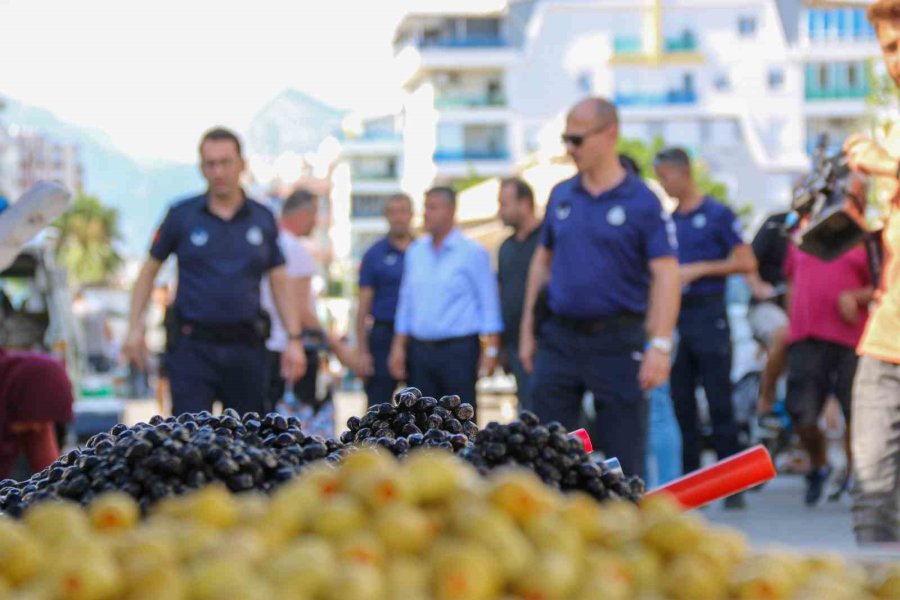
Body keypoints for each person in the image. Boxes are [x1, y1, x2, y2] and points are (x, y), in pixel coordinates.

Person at [518, 98, 681, 478]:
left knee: (624, 451)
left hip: (617, 339)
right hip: (560, 337)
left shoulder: (642, 201)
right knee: (543, 445)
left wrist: (660, 344)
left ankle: (625, 527)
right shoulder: (561, 195)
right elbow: (541, 263)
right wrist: (527, 330)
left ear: (610, 135)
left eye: (576, 140)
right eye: (566, 139)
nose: (569, 149)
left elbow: (666, 274)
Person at [122, 128, 305, 417]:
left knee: (250, 440)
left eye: (225, 162)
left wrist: (294, 339)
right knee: (189, 441)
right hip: (193, 348)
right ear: (201, 168)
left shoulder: (263, 217)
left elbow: (279, 279)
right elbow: (148, 272)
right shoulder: (181, 215)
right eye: (211, 164)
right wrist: (134, 327)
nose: (218, 171)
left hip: (247, 348)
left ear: (241, 164)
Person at [654, 148, 756, 506]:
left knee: (719, 403)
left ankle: (732, 487)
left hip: (709, 313)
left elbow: (745, 262)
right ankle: (691, 487)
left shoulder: (717, 213)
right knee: (681, 404)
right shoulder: (669, 221)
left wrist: (699, 269)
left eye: (665, 176)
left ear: (682, 173)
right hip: (677, 316)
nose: (664, 185)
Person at [841, 0, 900, 544]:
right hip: (886, 340)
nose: (898, 61)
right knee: (874, 501)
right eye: (890, 48)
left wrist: (890, 165)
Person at [389, 187, 503, 410]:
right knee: (419, 421)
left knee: (458, 422)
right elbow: (406, 301)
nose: (426, 214)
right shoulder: (416, 251)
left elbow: (489, 304)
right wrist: (398, 347)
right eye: (425, 208)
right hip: (420, 352)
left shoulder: (472, 252)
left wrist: (491, 351)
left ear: (450, 210)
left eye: (433, 207)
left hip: (459, 352)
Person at [783, 239, 872, 506]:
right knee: (802, 414)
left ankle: (859, 477)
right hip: (806, 337)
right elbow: (792, 283)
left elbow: (885, 285)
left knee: (857, 414)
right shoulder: (800, 235)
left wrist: (856, 297)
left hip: (852, 338)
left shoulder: (863, 238)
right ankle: (819, 464)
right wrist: (793, 323)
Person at [261, 189, 322, 413]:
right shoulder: (295, 249)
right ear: (304, 213)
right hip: (289, 350)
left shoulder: (268, 242)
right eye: (315, 214)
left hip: (265, 346)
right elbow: (302, 310)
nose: (316, 222)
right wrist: (338, 348)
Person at [356, 193, 414, 407]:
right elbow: (362, 306)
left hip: (416, 336)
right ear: (386, 216)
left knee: (421, 406)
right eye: (393, 212)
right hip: (383, 334)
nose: (399, 218)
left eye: (403, 212)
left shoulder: (423, 251)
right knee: (378, 406)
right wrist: (362, 351)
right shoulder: (374, 254)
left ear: (411, 215)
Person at [497, 177, 541, 411]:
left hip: (545, 341)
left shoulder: (547, 241)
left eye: (504, 204)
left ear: (524, 203)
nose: (500, 211)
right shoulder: (506, 247)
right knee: (526, 407)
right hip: (514, 344)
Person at [0, 348, 74, 479]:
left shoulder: (35, 421)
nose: (37, 428)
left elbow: (54, 476)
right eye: (35, 416)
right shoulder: (16, 386)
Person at [746, 211, 791, 414]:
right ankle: (767, 395)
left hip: (804, 312)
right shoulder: (777, 223)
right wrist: (758, 286)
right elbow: (748, 260)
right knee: (783, 332)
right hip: (770, 306)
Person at [72, 290, 112, 373]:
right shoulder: (97, 307)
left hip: (90, 352)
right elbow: (108, 331)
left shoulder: (79, 309)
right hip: (100, 350)